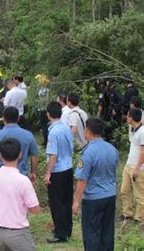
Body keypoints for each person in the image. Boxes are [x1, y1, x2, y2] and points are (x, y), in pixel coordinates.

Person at [73, 118, 118, 251]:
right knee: (107, 231)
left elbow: (82, 180)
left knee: (91, 233)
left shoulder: (88, 153)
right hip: (110, 196)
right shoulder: (112, 149)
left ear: (87, 132)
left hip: (93, 199)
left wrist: (76, 201)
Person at [0, 138, 40, 251]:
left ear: (0, 155)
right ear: (20, 155)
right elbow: (35, 209)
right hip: (17, 233)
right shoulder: (23, 181)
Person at [44, 101, 74, 243]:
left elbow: (53, 155)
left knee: (57, 203)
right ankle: (67, 229)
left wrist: (48, 173)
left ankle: (60, 234)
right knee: (67, 200)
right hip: (68, 168)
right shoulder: (66, 128)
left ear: (48, 114)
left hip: (57, 171)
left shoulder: (53, 132)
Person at [0, 107, 38, 183]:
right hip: (21, 178)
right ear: (18, 118)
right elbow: (34, 155)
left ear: (3, 119)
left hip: (1, 179)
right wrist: (33, 172)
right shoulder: (28, 135)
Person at [121, 108, 144, 223]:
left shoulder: (142, 131)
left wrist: (137, 168)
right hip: (129, 164)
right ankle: (127, 214)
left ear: (132, 118)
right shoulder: (132, 129)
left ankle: (139, 218)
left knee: (139, 195)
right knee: (124, 190)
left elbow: (143, 152)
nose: (126, 117)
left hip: (138, 168)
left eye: (128, 116)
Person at [36, 74, 51, 146]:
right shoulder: (40, 89)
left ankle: (46, 141)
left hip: (44, 109)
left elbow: (46, 100)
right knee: (43, 126)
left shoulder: (46, 90)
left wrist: (44, 105)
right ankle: (45, 140)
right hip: (41, 108)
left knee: (44, 126)